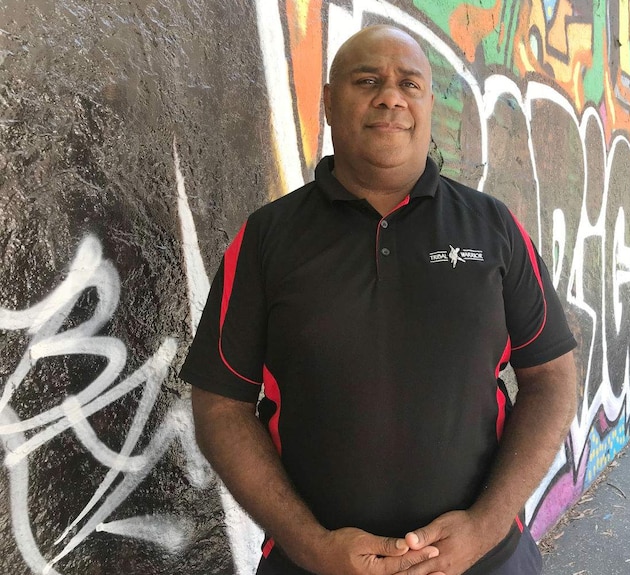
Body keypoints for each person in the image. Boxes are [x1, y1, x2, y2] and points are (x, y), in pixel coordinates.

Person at [180, 24, 579, 575]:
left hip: (486, 561)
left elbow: (552, 379)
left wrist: (484, 528)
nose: (390, 96)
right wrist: (311, 544)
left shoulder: (495, 230)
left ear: (427, 104)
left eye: (409, 84)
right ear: (327, 101)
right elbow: (220, 407)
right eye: (367, 80)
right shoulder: (266, 240)